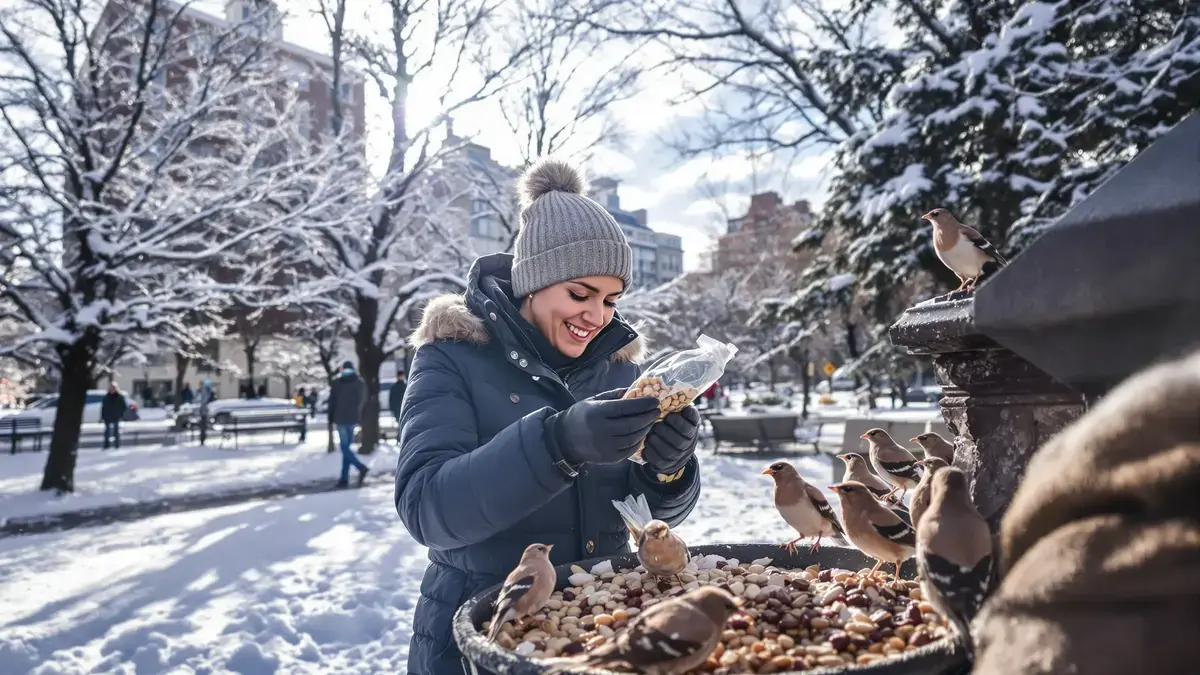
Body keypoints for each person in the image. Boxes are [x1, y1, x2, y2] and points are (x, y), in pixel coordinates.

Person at [395, 158, 702, 675]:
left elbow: (645, 520)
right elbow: (427, 509)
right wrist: (556, 444)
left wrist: (668, 472)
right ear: (533, 281)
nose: (597, 316)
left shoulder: (619, 369)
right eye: (579, 294)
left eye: (610, 299)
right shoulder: (452, 356)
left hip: (600, 623)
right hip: (484, 633)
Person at [328, 360, 368, 487]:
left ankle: (360, 467)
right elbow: (362, 401)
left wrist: (330, 417)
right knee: (347, 449)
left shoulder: (337, 383)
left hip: (340, 418)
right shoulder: (359, 383)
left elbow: (332, 401)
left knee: (344, 448)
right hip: (352, 418)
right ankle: (344, 478)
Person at [101, 382, 127, 450]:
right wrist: (102, 416)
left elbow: (123, 407)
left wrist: (120, 414)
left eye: (113, 387)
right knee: (107, 431)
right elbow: (103, 407)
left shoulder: (119, 397)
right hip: (107, 416)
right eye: (111, 387)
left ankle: (117, 444)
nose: (112, 389)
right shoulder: (106, 397)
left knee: (116, 431)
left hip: (116, 416)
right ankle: (106, 445)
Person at [197, 379, 215, 446]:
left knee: (203, 426)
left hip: (203, 411)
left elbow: (202, 401)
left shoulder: (204, 391)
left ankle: (202, 440)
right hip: (204, 411)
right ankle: (202, 439)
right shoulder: (207, 391)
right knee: (203, 427)